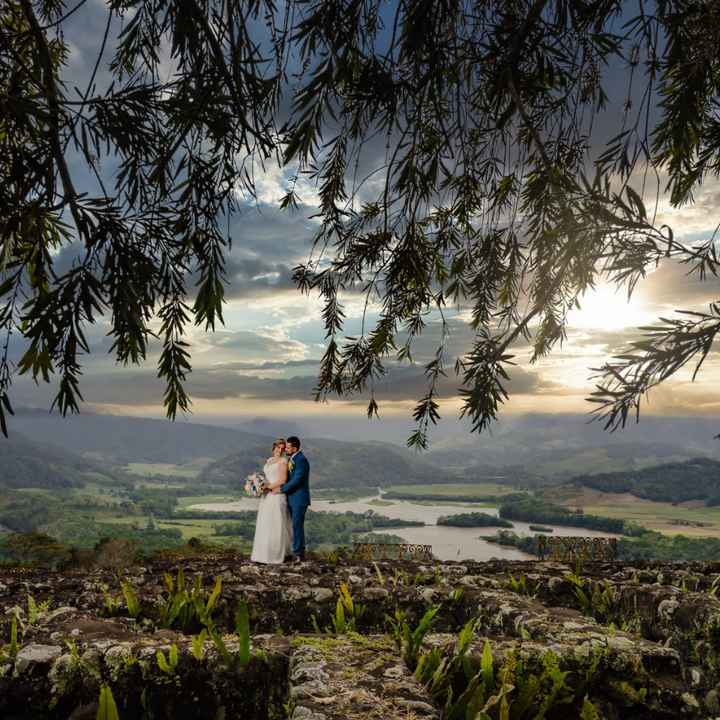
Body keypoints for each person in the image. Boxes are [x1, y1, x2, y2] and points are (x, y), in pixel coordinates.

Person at [250, 439, 292, 564]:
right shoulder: (269, 460)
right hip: (266, 495)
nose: (280, 450)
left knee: (275, 523)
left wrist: (267, 487)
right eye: (278, 447)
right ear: (273, 448)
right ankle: (262, 554)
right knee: (265, 522)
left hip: (276, 494)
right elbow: (265, 477)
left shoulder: (284, 461)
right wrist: (257, 484)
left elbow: (282, 480)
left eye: (282, 448)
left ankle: (275, 555)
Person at [274, 435, 310, 562]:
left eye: (288, 447)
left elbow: (297, 480)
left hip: (299, 499)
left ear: (294, 448)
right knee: (290, 526)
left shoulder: (301, 460)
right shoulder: (291, 459)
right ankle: (291, 551)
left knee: (297, 526)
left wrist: (282, 489)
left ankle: (299, 554)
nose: (286, 450)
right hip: (290, 498)